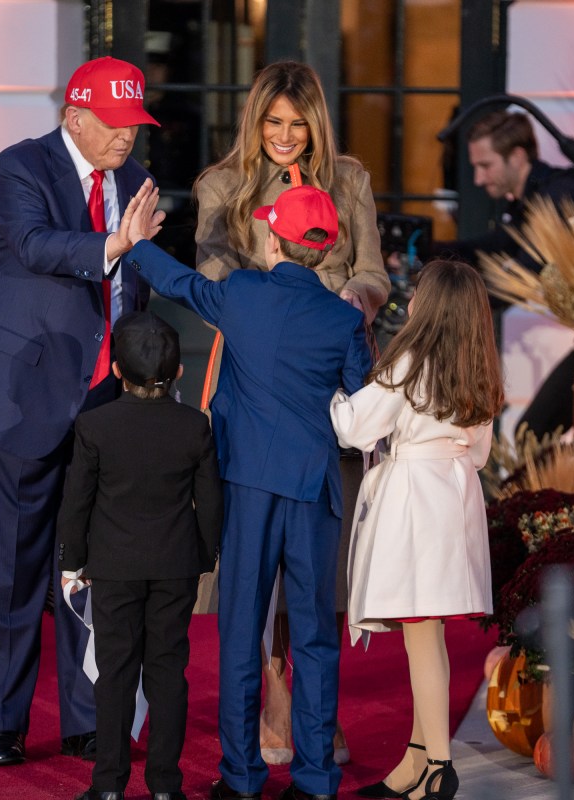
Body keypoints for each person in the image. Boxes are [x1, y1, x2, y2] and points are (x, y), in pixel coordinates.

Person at [122, 179, 372, 800]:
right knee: (314, 635)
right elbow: (359, 403)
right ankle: (315, 780)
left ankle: (241, 778)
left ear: (275, 240)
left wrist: (134, 245)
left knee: (240, 630)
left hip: (246, 487)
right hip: (313, 489)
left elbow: (180, 285)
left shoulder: (242, 293)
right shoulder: (344, 318)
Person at [0, 56, 158, 767]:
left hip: (101, 402)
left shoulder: (130, 182)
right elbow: (38, 246)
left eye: (136, 122)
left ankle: (83, 718)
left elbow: (137, 288)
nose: (128, 137)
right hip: (20, 399)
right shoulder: (18, 169)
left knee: (87, 567)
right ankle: (4, 724)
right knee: (10, 569)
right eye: (118, 122)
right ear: (77, 117)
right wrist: (114, 244)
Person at [193, 60, 390, 767]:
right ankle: (268, 688)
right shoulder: (221, 187)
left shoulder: (351, 180)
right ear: (255, 122)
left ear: (315, 123)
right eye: (271, 123)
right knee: (250, 557)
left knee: (320, 557)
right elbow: (211, 279)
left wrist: (345, 302)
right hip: (253, 377)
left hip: (329, 377)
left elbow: (373, 271)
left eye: (296, 124)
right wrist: (281, 292)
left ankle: (307, 699)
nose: (283, 136)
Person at [329, 259, 504, 800]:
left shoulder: (409, 359)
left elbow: (356, 425)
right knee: (425, 636)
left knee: (422, 633)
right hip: (455, 496)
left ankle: (438, 768)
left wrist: (330, 396)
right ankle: (415, 758)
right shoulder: (478, 366)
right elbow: (478, 454)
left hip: (415, 500)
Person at [58, 310, 223, 800]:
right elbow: (210, 502)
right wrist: (202, 557)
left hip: (112, 568)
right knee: (168, 671)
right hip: (174, 566)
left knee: (116, 675)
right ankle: (166, 786)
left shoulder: (94, 425)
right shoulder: (194, 426)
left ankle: (108, 785)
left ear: (115, 372)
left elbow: (77, 501)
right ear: (178, 373)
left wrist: (73, 561)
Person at [438, 109, 574, 437]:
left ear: (517, 156)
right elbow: (498, 245)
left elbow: (522, 277)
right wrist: (430, 250)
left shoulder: (560, 198)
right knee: (537, 435)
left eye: (485, 165)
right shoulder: (541, 197)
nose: (478, 179)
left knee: (531, 436)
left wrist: (446, 305)